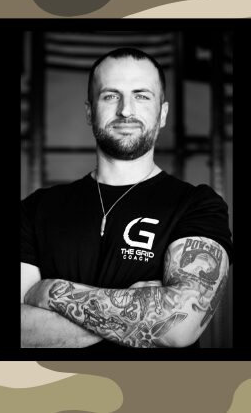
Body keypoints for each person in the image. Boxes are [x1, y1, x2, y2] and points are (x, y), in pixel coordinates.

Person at [20, 48, 232, 348]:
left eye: (142, 96)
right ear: (89, 112)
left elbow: (179, 326)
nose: (126, 111)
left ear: (163, 114)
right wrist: (143, 311)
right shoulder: (35, 208)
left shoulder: (197, 205)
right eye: (110, 96)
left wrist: (51, 291)